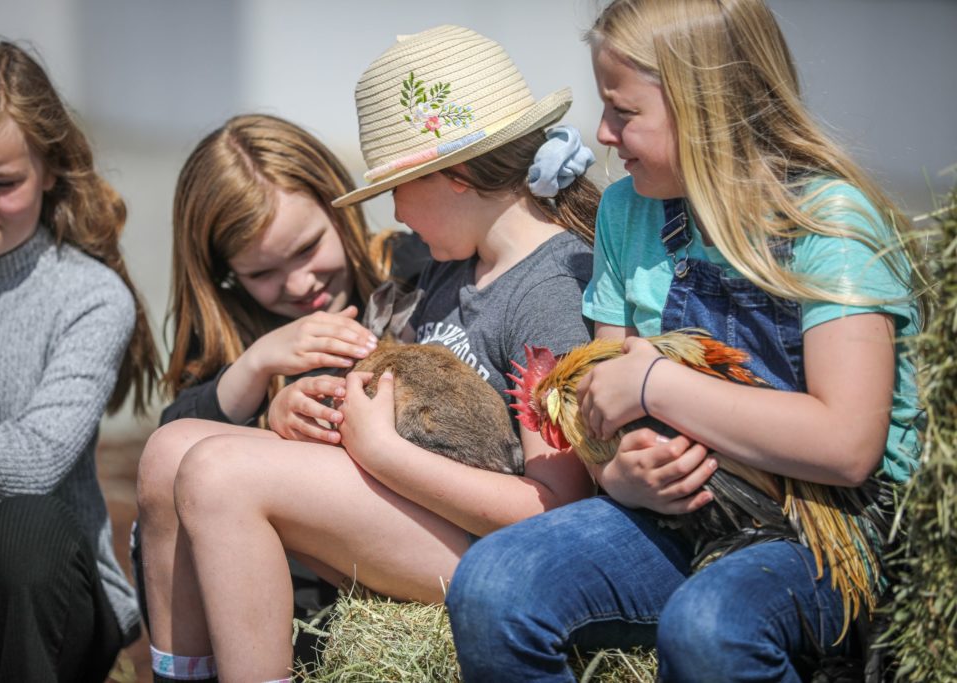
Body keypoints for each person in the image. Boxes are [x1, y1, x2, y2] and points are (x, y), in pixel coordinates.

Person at [444, 1, 924, 681]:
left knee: (710, 626)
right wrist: (617, 470)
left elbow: (847, 445)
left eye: (623, 111)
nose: (603, 134)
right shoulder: (628, 210)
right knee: (492, 582)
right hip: (690, 509)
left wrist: (658, 385)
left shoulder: (827, 223)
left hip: (825, 526)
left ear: (708, 107)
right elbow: (596, 393)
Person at [144, 25, 601, 682]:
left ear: (457, 176)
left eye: (399, 186)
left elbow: (555, 505)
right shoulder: (452, 271)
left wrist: (379, 450)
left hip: (497, 550)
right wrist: (297, 414)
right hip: (426, 515)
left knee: (219, 470)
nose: (394, 211)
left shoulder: (544, 293)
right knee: (169, 451)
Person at [132, 112, 431, 675]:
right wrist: (257, 369)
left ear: (336, 201)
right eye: (262, 272)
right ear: (227, 275)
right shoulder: (236, 324)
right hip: (272, 585)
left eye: (306, 248)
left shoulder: (411, 267)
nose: (298, 285)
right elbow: (171, 441)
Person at [0, 41, 159, 682]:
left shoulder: (88, 297)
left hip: (52, 608)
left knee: (24, 526)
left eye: (0, 183)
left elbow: (38, 462)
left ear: (53, 169)